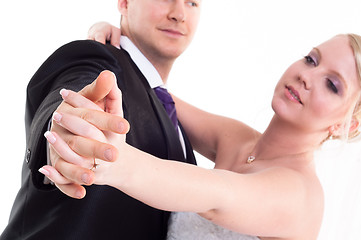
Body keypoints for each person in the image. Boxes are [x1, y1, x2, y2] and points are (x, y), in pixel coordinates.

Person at [38, 34, 361, 240]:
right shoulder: (237, 138)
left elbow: (216, 198)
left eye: (332, 85)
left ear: (347, 126)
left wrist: (113, 161)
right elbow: (161, 99)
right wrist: (120, 42)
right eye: (311, 59)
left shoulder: (300, 194)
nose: (307, 75)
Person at [1, 0, 201, 239]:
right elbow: (76, 87)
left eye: (192, 3)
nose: (179, 14)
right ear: (125, 3)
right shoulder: (97, 58)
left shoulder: (173, 117)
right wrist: (65, 133)